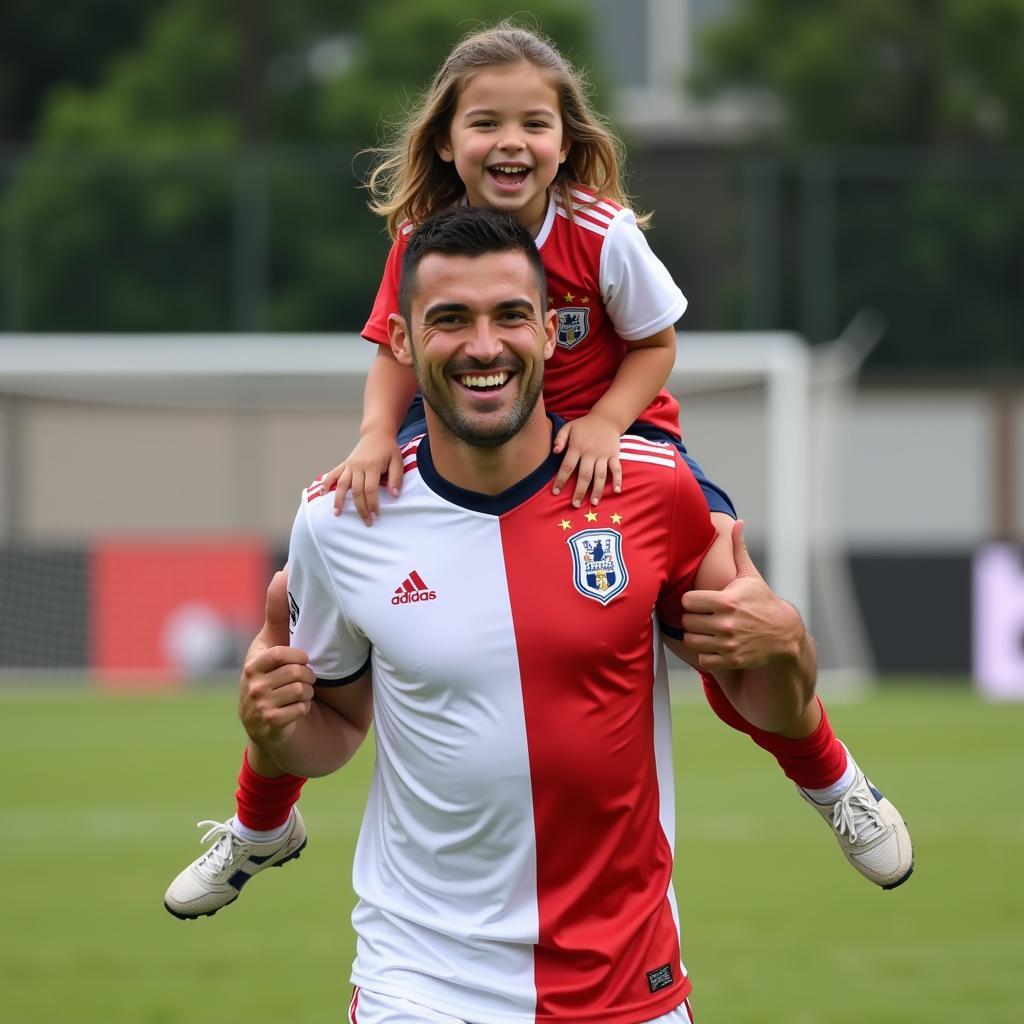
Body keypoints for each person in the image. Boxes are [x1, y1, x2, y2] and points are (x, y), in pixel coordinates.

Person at [164, 22, 912, 924]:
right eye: (485, 123)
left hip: (615, 435)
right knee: (298, 668)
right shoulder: (421, 242)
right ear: (446, 140)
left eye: (534, 124)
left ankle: (833, 781)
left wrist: (599, 424)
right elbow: (395, 357)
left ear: (568, 142)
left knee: (728, 616)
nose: (510, 142)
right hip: (467, 432)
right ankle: (257, 828)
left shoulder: (601, 232)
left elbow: (656, 343)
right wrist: (371, 437)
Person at [237, 206, 833, 1020]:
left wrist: (789, 642)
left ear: (553, 333)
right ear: (403, 345)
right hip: (420, 984)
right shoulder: (339, 521)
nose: (484, 346)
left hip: (630, 988)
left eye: (510, 315)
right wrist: (273, 731)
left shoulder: (656, 490)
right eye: (450, 319)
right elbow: (335, 724)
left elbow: (768, 698)